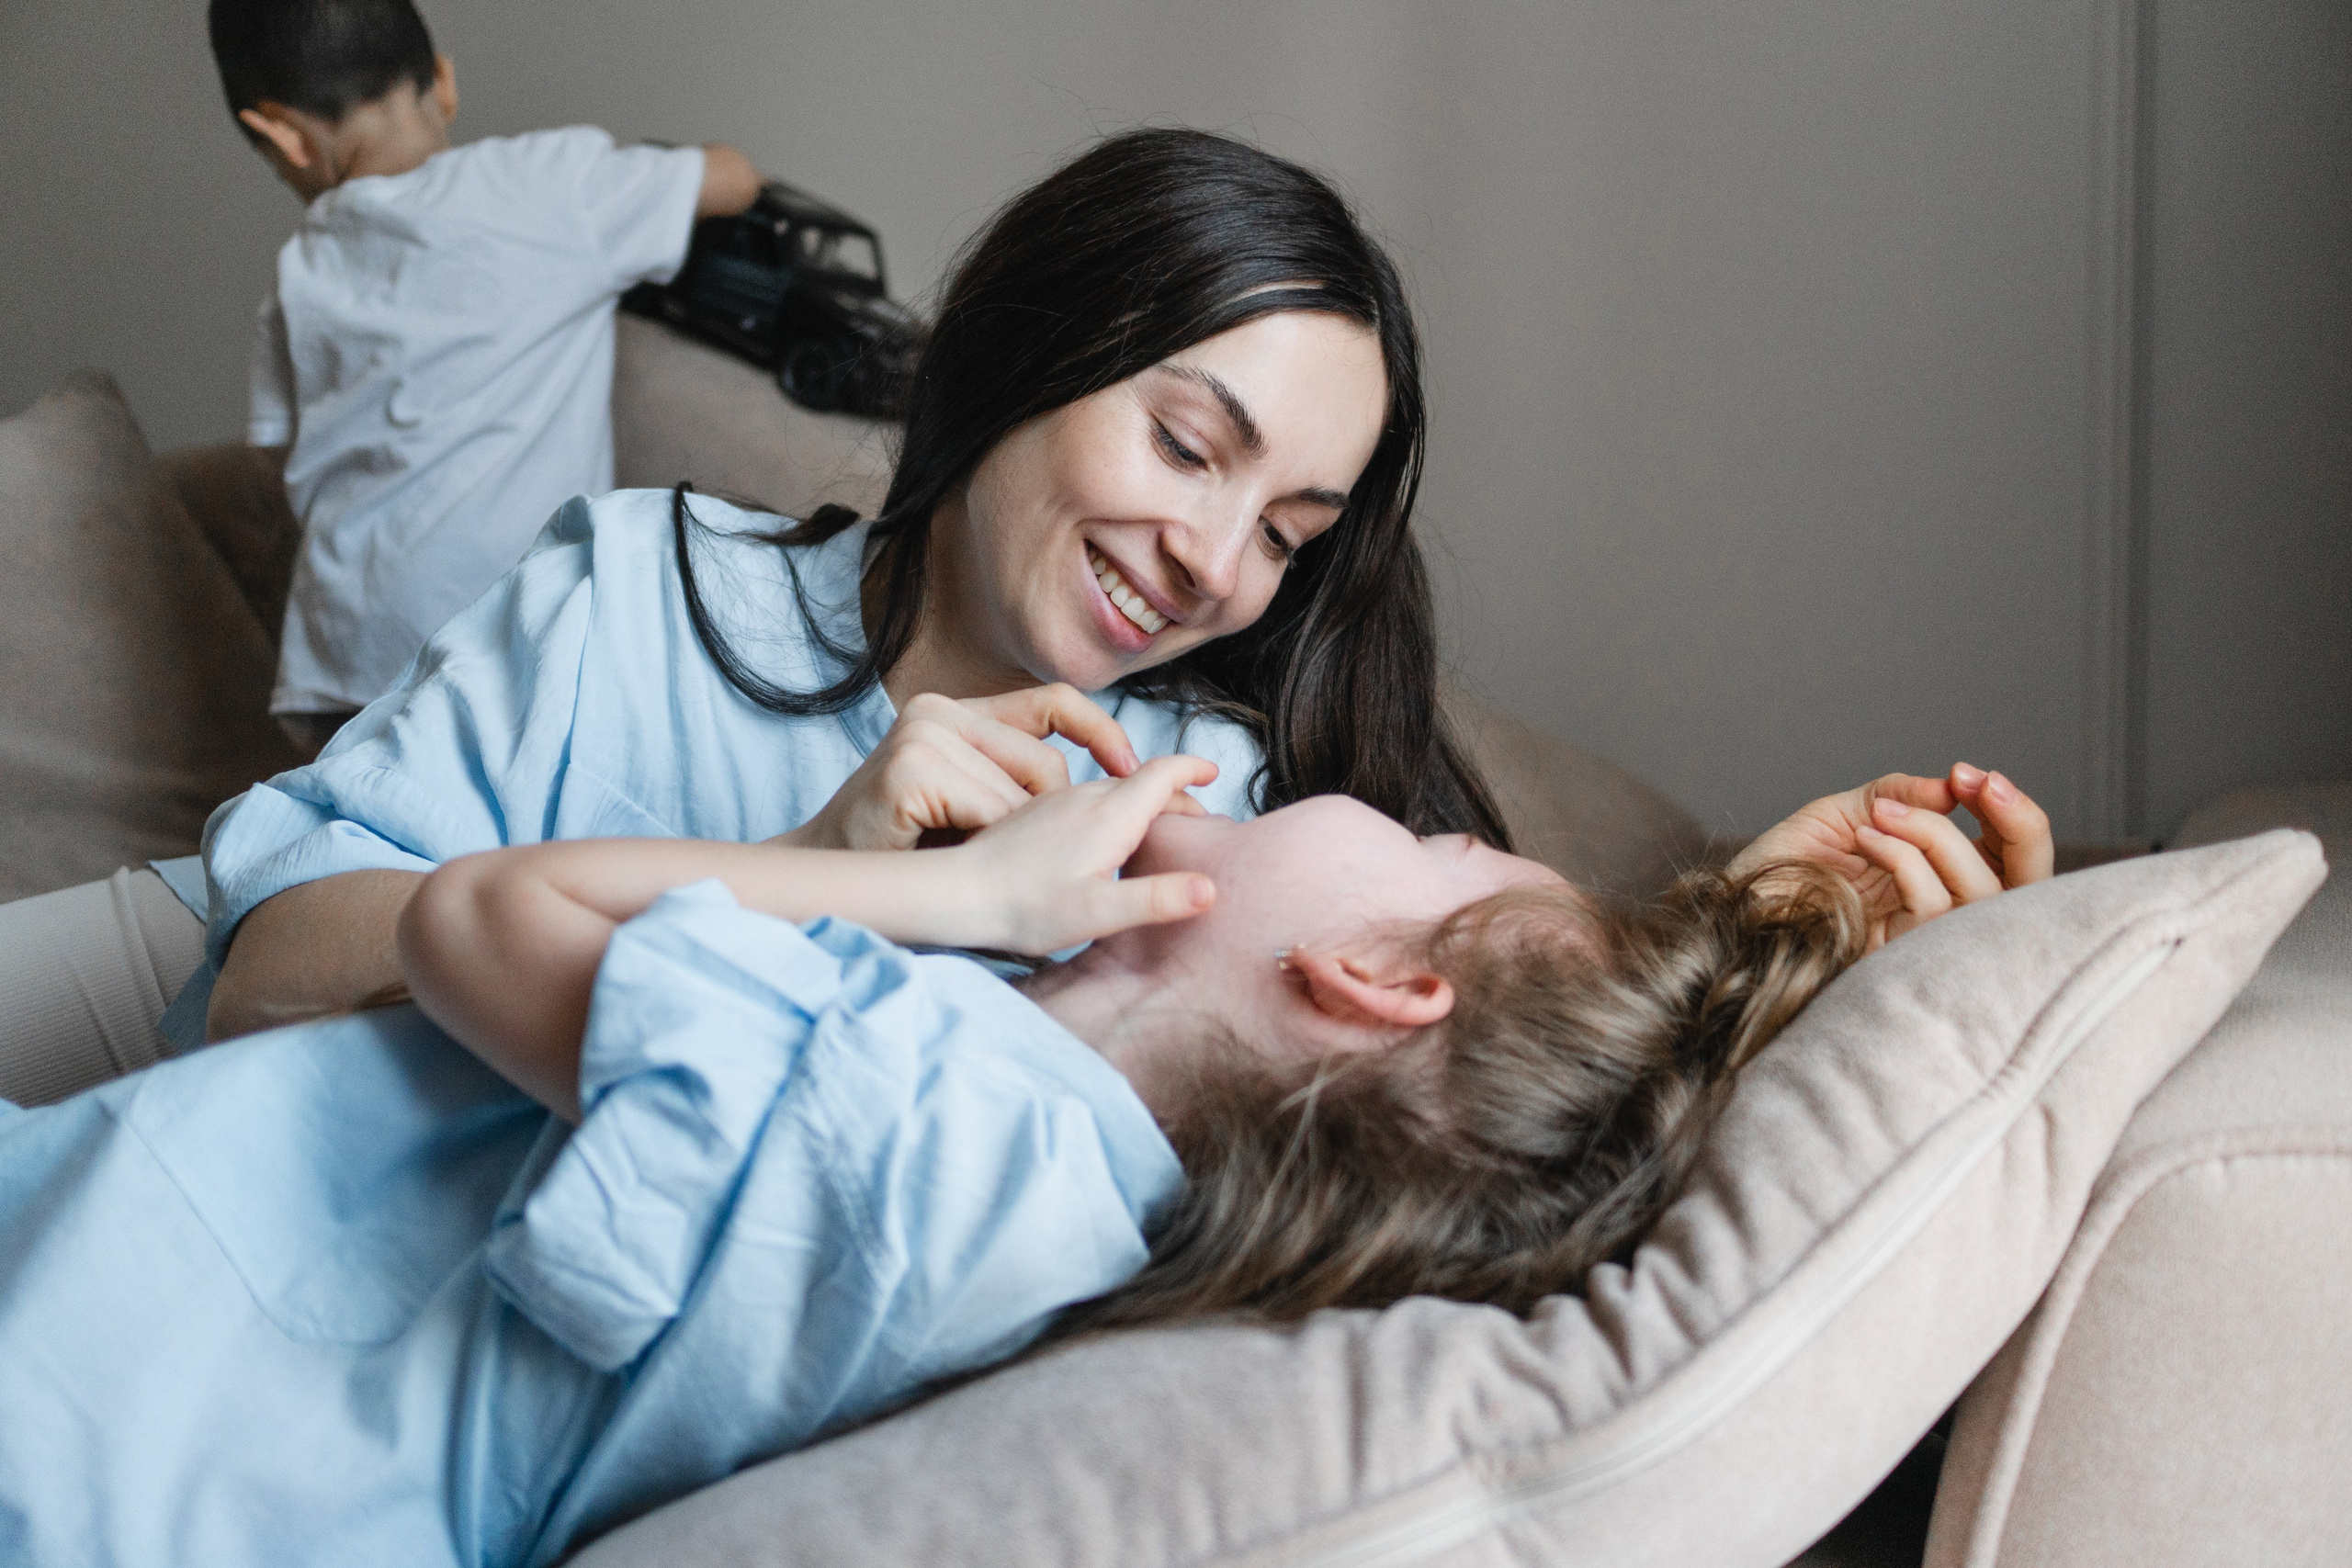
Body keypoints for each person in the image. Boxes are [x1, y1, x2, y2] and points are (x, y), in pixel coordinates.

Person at [0, 755, 2054, 1567]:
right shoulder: (1013, 1172)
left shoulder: (937, 1128)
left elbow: (475, 917)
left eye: (1432, 844)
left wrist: (966, 894)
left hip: (90, 1409)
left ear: (1367, 975)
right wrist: (1775, 916)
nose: (1356, 794)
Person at [210, 0, 763, 750]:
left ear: (280, 136)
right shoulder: (550, 185)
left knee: (362, 833)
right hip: (512, 632)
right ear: (444, 82)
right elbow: (734, 179)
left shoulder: (299, 272)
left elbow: (278, 455)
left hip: (345, 649)